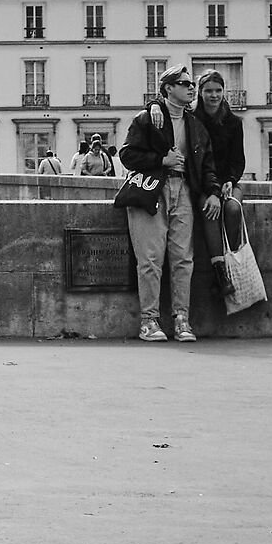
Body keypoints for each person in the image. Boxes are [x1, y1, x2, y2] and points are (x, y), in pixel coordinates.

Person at [119, 67, 211, 343]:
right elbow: (127, 155)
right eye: (184, 83)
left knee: (183, 259)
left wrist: (214, 190)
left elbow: (206, 162)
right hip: (153, 191)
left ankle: (182, 319)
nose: (191, 88)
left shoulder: (195, 124)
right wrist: (161, 161)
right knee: (150, 259)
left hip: (183, 189)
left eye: (192, 84)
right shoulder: (148, 118)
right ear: (168, 88)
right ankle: (149, 321)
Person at [191, 69, 247, 291]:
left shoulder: (233, 122)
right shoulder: (192, 119)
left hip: (227, 180)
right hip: (203, 182)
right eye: (208, 91)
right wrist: (212, 190)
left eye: (218, 90)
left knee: (233, 208)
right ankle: (220, 272)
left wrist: (230, 181)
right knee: (209, 210)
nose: (214, 95)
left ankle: (231, 260)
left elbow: (238, 160)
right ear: (200, 92)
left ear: (224, 92)